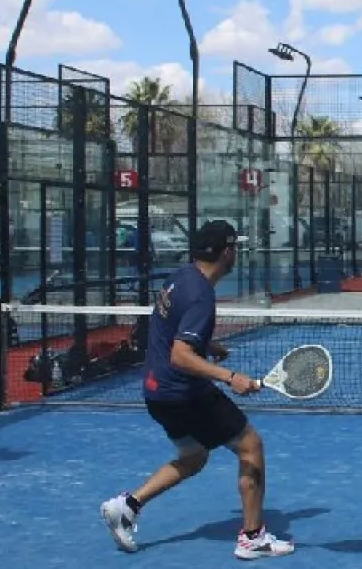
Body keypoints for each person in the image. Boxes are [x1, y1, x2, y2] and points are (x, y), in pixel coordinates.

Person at [99, 220, 295, 560]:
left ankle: (127, 506)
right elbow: (180, 355)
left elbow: (167, 328)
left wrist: (208, 343)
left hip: (155, 394)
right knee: (251, 447)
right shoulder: (203, 296)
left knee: (194, 457)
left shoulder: (180, 277)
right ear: (225, 252)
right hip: (183, 394)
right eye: (234, 248)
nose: (237, 254)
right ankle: (252, 538)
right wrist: (229, 376)